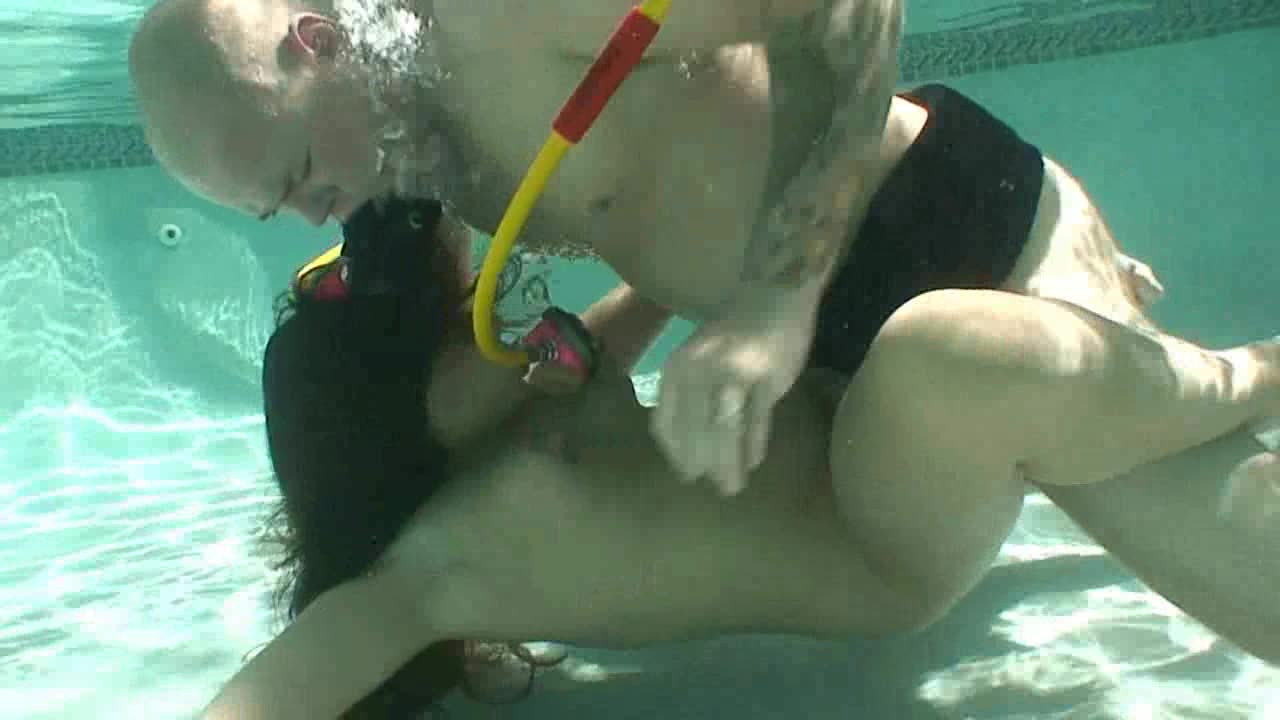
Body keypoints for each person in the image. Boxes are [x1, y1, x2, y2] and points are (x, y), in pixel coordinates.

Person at [130, 0, 1280, 684]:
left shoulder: (495, 18)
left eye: (295, 175)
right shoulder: (407, 150)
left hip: (958, 236)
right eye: (275, 209)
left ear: (319, 43)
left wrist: (773, 304)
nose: (312, 216)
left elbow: (841, 14)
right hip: (859, 377)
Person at [204, 196, 1278, 719]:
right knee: (947, 353)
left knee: (818, 237)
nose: (498, 329)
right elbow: (266, 700)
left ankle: (1078, 328)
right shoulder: (436, 567)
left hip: (845, 423)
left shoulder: (517, 398)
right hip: (875, 541)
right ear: (391, 430)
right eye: (458, 336)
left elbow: (666, 285)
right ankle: (1246, 373)